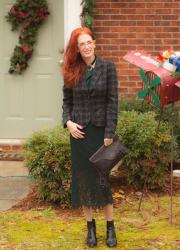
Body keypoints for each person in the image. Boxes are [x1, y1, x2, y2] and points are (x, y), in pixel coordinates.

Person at [62, 27, 118, 248]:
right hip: (79, 133)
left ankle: (110, 227)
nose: (85, 47)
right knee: (84, 181)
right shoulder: (71, 70)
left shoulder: (108, 68)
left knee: (102, 182)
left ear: (94, 44)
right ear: (77, 48)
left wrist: (109, 133)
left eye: (88, 42)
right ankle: (90, 228)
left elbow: (113, 102)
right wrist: (68, 123)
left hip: (100, 134)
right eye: (81, 44)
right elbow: (66, 102)